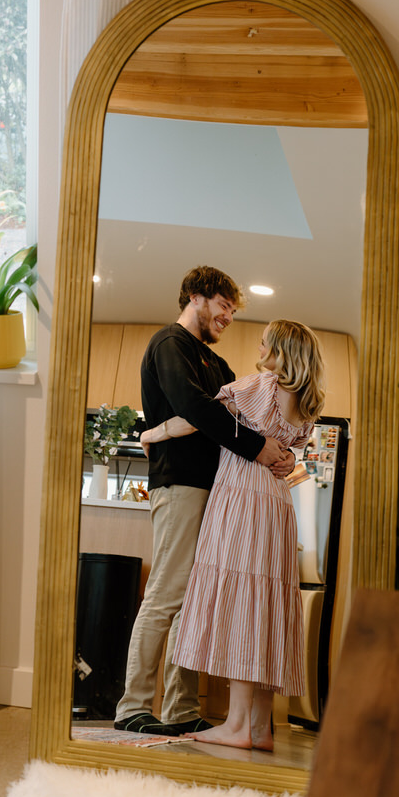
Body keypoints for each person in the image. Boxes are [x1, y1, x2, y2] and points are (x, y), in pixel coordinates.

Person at [113, 267, 294, 737]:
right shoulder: (169, 344)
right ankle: (132, 706)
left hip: (217, 492)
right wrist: (257, 448)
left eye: (232, 310)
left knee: (195, 602)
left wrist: (280, 449)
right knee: (168, 595)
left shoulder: (220, 366)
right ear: (197, 297)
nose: (229, 317)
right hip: (182, 484)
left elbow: (237, 415)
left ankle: (180, 708)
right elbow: (195, 409)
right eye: (224, 306)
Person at [141, 319, 325, 751]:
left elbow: (197, 418)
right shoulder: (307, 402)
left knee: (243, 604)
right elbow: (290, 450)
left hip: (243, 499)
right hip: (278, 505)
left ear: (280, 350)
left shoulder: (261, 387)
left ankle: (238, 724)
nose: (259, 344)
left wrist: (151, 433)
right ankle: (260, 728)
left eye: (266, 340)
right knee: (264, 606)